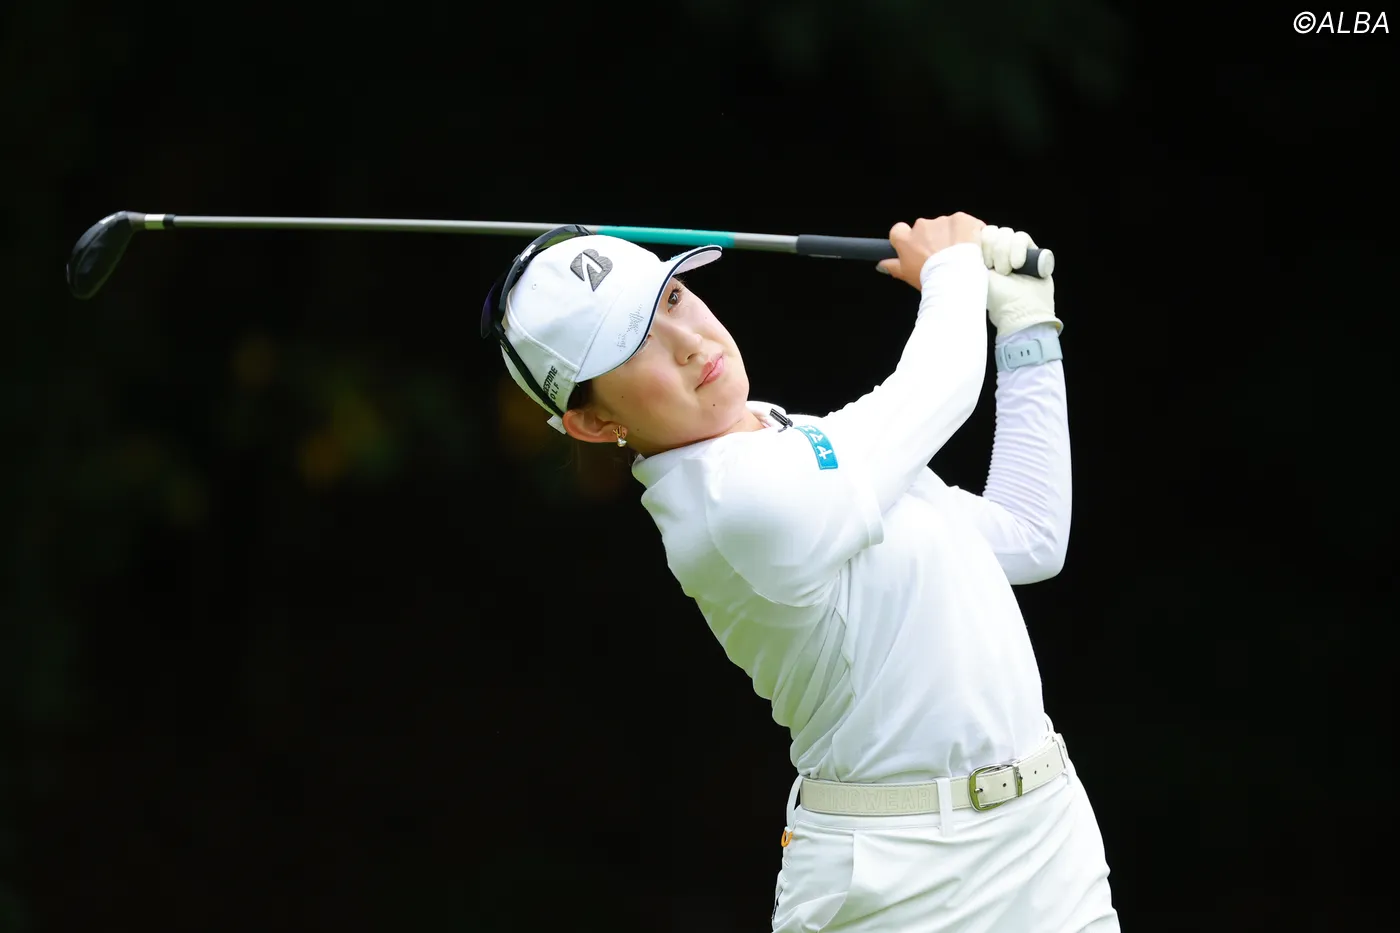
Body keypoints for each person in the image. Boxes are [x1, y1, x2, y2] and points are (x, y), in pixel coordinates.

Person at [480, 214, 1119, 932]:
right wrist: (953, 267)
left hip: (1049, 842)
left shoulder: (794, 436)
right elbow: (941, 386)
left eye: (672, 299)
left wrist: (1027, 330)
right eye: (634, 345)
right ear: (596, 425)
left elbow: (1030, 538)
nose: (688, 342)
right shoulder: (731, 507)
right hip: (896, 883)